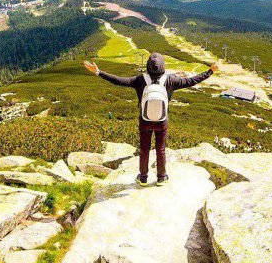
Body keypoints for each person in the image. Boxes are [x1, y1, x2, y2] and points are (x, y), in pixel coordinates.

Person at [84, 53, 219, 186]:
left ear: (148, 66)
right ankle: (161, 177)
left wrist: (98, 72)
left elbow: (118, 80)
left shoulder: (140, 79)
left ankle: (143, 178)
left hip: (144, 120)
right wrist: (211, 71)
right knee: (161, 148)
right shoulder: (171, 80)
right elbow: (193, 80)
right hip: (162, 121)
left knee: (144, 148)